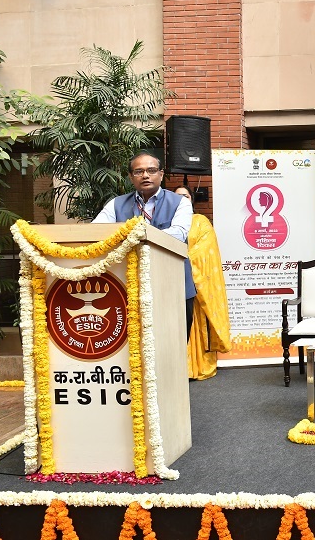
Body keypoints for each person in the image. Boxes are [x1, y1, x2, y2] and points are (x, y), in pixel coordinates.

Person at [93, 152, 195, 333]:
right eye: (139, 171)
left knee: (174, 339)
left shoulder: (180, 203)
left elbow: (178, 234)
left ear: (161, 174)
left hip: (173, 284)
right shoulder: (116, 204)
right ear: (131, 177)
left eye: (151, 170)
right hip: (129, 285)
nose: (146, 175)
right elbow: (96, 232)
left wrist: (134, 237)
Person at [174, 186, 232, 380]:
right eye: (177, 197)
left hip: (193, 281)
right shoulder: (167, 222)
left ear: (191, 199)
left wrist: (178, 258)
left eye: (185, 196)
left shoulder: (200, 221)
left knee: (194, 322)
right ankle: (176, 369)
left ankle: (196, 367)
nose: (182, 199)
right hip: (170, 280)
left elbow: (205, 250)